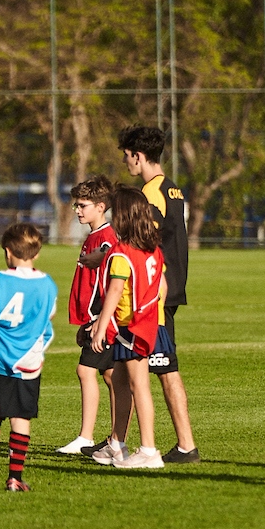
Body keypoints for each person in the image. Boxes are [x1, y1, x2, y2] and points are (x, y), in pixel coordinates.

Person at [117, 125, 198, 463]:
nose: (125, 162)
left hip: (155, 292)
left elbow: (148, 238)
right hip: (171, 285)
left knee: (162, 369)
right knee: (121, 368)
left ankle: (184, 445)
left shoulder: (150, 194)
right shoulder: (173, 189)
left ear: (138, 155)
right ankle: (116, 441)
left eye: (127, 156)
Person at [0, 223, 58, 492]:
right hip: (27, 363)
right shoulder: (47, 284)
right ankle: (15, 478)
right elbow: (48, 316)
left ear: (8, 252)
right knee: (21, 419)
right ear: (37, 254)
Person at [90, 186, 168, 469]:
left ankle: (149, 450)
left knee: (139, 386)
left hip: (132, 329)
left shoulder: (122, 253)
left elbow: (113, 293)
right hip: (145, 325)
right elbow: (162, 288)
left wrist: (100, 327)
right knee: (121, 382)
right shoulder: (153, 251)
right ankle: (117, 444)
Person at [57, 175, 118, 455]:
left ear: (101, 206)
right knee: (110, 375)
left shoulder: (106, 238)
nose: (78, 210)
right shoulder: (93, 236)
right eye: (76, 205)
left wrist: (96, 320)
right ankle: (116, 438)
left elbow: (107, 284)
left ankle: (87, 437)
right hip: (95, 319)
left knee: (86, 370)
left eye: (83, 205)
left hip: (104, 320)